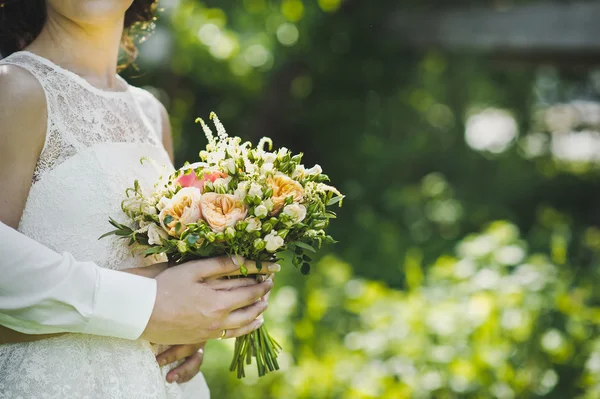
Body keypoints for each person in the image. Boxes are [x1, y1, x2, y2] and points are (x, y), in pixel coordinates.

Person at [0, 0, 275, 397]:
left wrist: (196, 320)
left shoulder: (152, 114)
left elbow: (167, 269)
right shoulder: (14, 88)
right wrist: (150, 305)